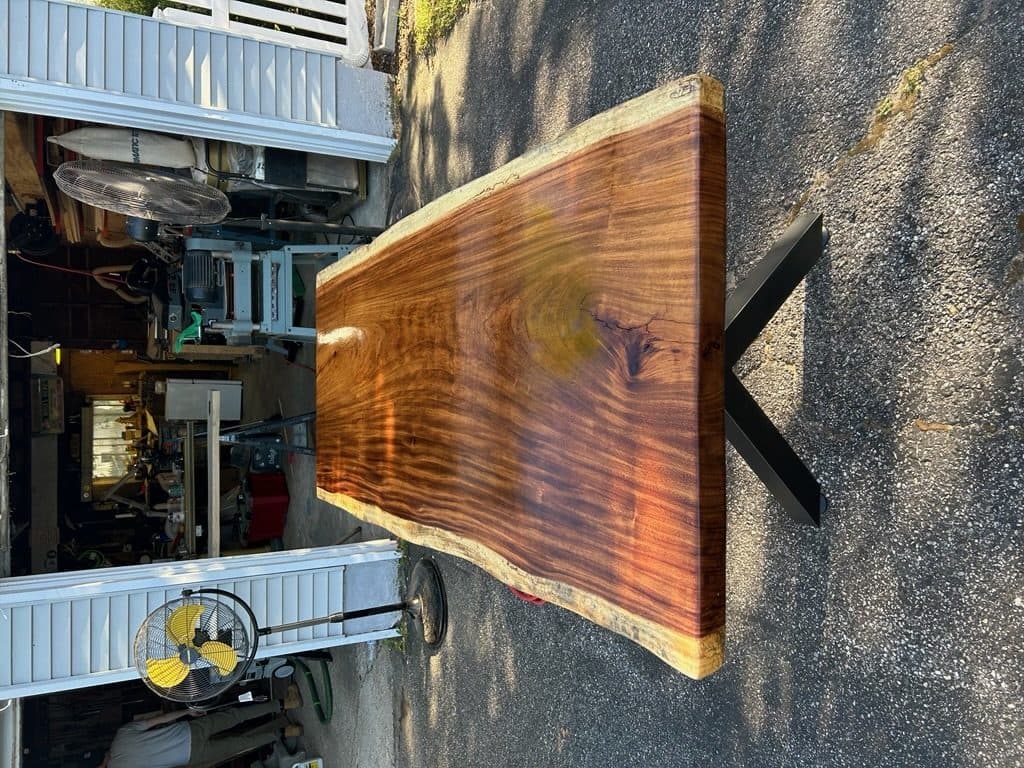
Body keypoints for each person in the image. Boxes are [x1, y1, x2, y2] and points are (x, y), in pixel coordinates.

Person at [102, 685, 302, 768]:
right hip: (189, 731)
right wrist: (187, 712)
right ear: (104, 759)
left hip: (191, 757)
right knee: (236, 716)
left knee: (240, 744)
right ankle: (286, 703)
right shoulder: (122, 736)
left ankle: (286, 732)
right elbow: (160, 720)